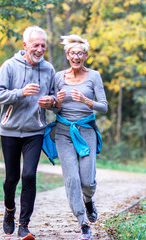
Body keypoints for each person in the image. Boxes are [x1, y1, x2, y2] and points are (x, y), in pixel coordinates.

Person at [0, 26, 55, 240]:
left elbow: (56, 99)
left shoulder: (49, 70)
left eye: (43, 45)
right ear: (25, 45)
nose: (40, 49)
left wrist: (52, 101)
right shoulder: (9, 66)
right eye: (35, 45)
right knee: (12, 178)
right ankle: (9, 209)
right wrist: (20, 92)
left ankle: (24, 225)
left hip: (34, 130)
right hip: (9, 130)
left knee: (29, 176)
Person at [53, 34, 108, 240]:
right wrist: (56, 102)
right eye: (72, 53)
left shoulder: (94, 76)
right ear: (67, 55)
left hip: (86, 131)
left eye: (80, 53)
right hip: (63, 132)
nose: (76, 56)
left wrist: (86, 100)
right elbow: (52, 107)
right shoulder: (58, 77)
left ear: (85, 56)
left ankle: (88, 200)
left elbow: (104, 106)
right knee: (72, 179)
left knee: (87, 181)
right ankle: (83, 223)